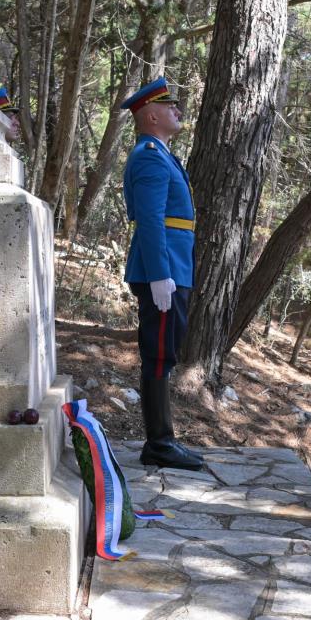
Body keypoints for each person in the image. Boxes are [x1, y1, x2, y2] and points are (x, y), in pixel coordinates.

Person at [120, 78, 204, 472]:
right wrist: (159, 274)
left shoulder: (161, 154)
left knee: (164, 352)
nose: (178, 111)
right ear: (151, 115)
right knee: (157, 354)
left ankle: (163, 438)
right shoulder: (150, 155)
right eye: (170, 107)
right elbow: (151, 220)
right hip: (164, 268)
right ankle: (159, 441)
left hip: (173, 265)